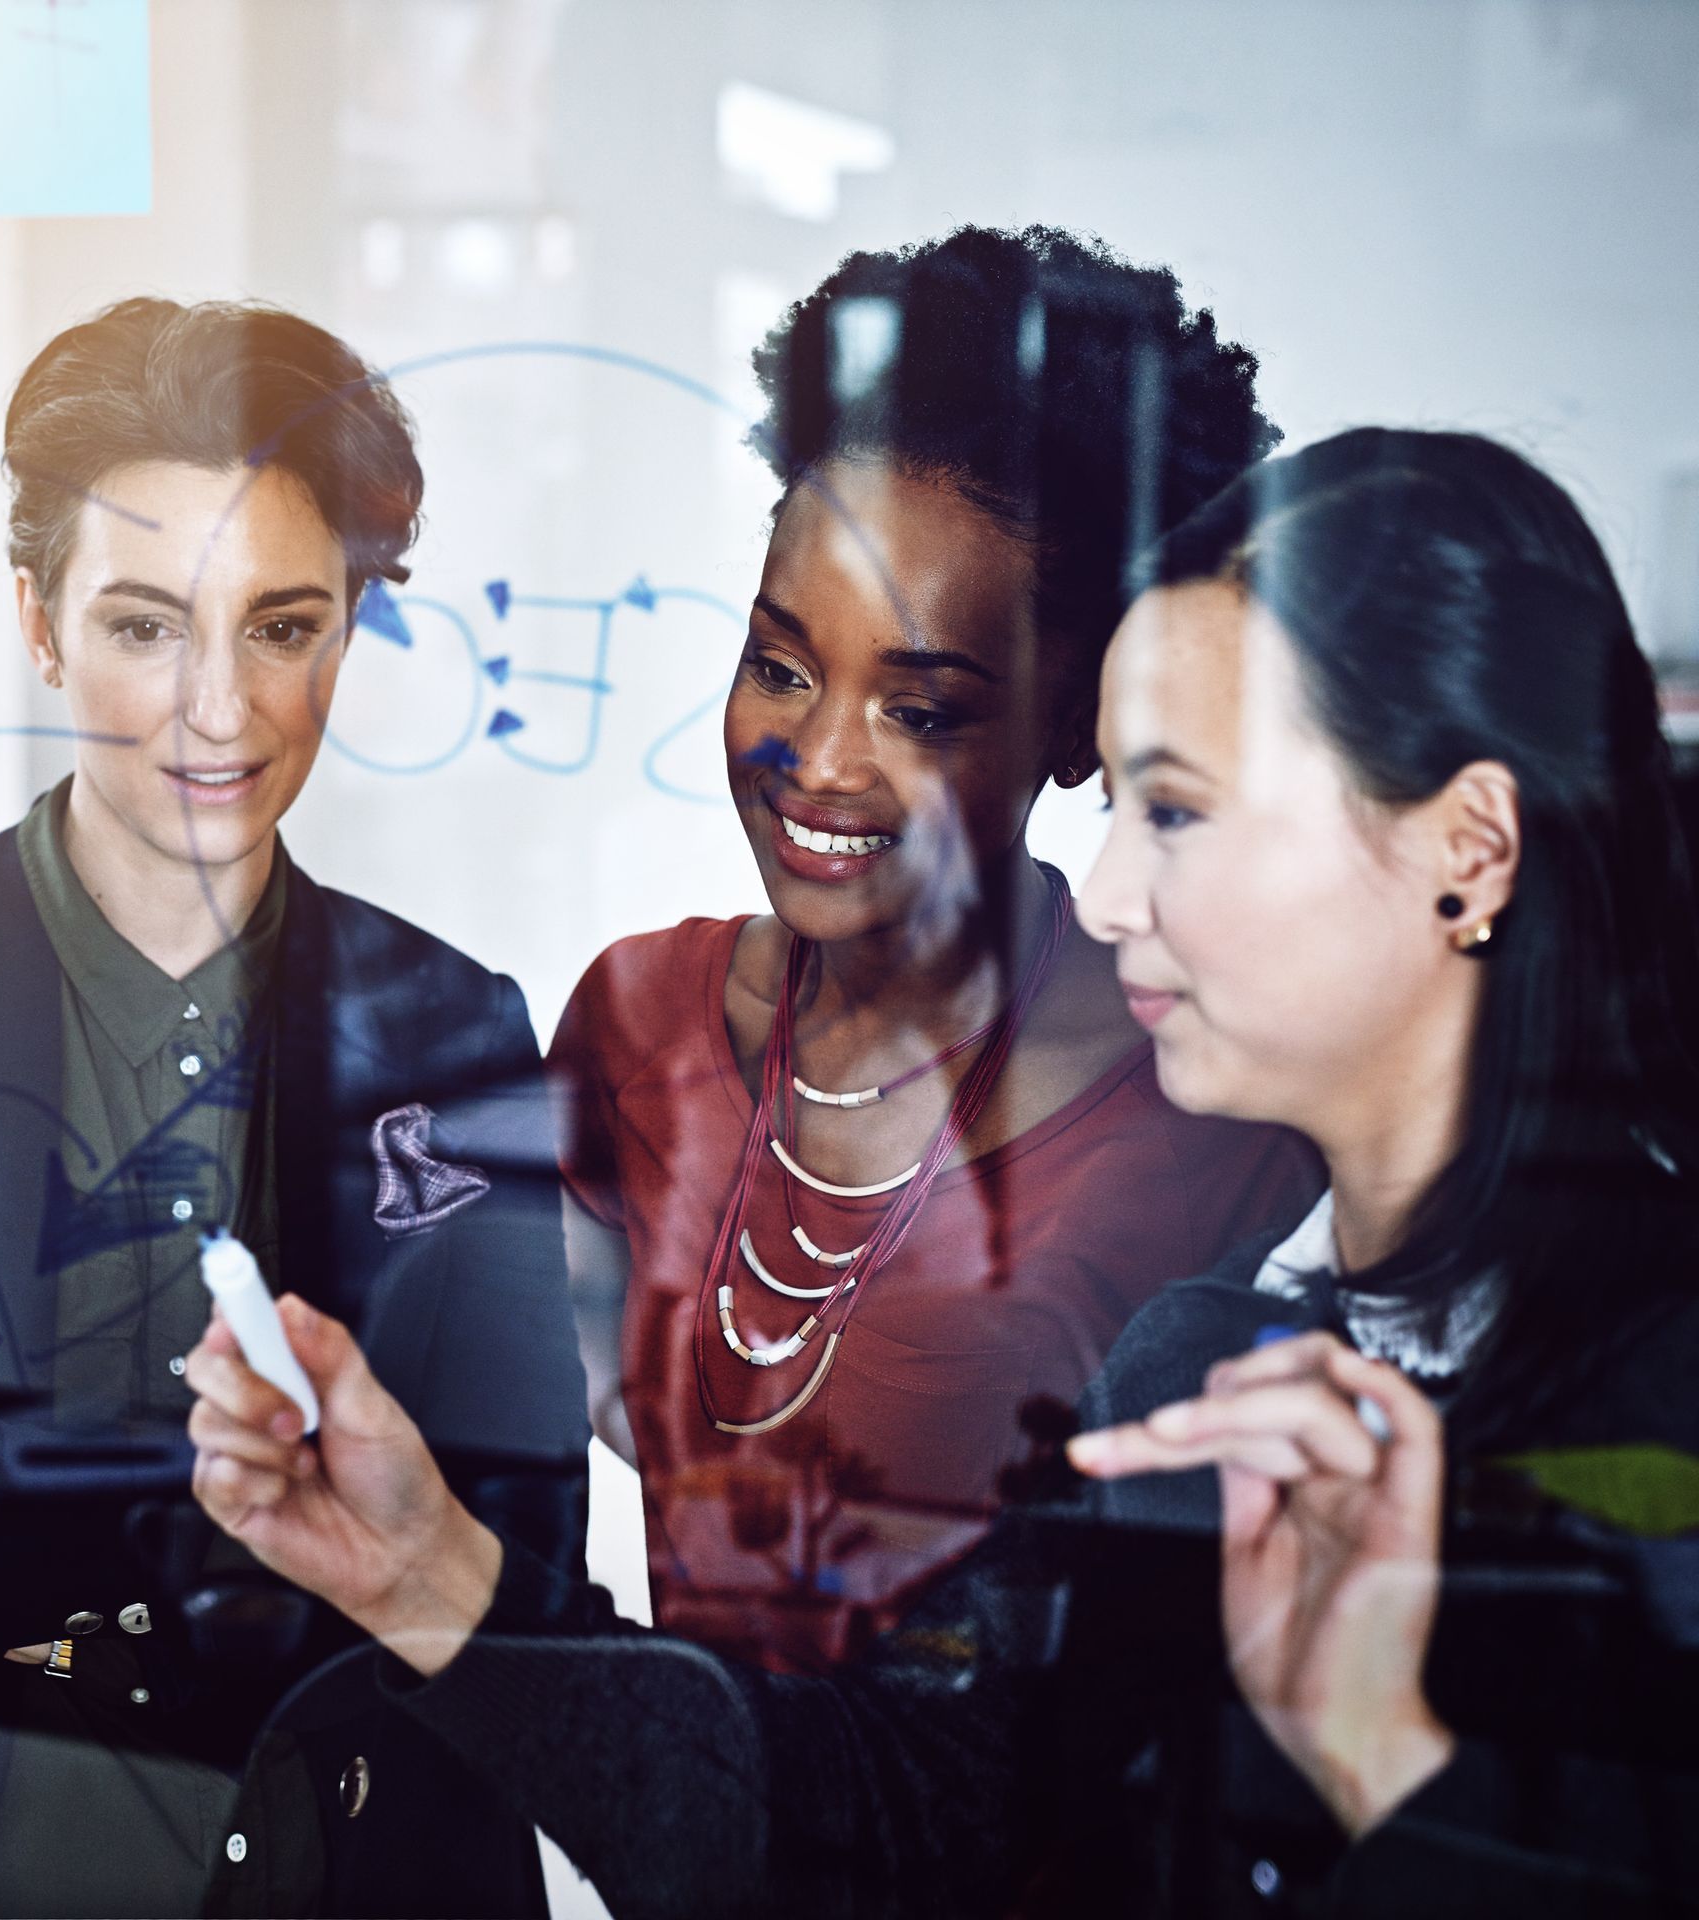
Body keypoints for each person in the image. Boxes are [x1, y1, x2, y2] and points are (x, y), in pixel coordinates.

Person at [188, 427, 1699, 1917]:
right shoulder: (1205, 1362)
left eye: (1173, 812)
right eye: (1122, 807)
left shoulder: (1649, 1386)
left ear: (1469, 850)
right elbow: (893, 1823)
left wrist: (1387, 1771)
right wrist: (423, 1570)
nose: (1105, 896)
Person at [0, 299, 588, 1917]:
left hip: (341, 1867)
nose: (219, 710)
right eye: (147, 626)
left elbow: (519, 1571)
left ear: (348, 633)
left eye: (281, 628)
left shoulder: (455, 1031)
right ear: (38, 621)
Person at [550, 225, 1318, 1673]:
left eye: (922, 711)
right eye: (780, 666)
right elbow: (531, 1460)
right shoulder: (633, 1025)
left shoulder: (1214, 1115)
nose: (819, 761)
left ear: (1081, 722)